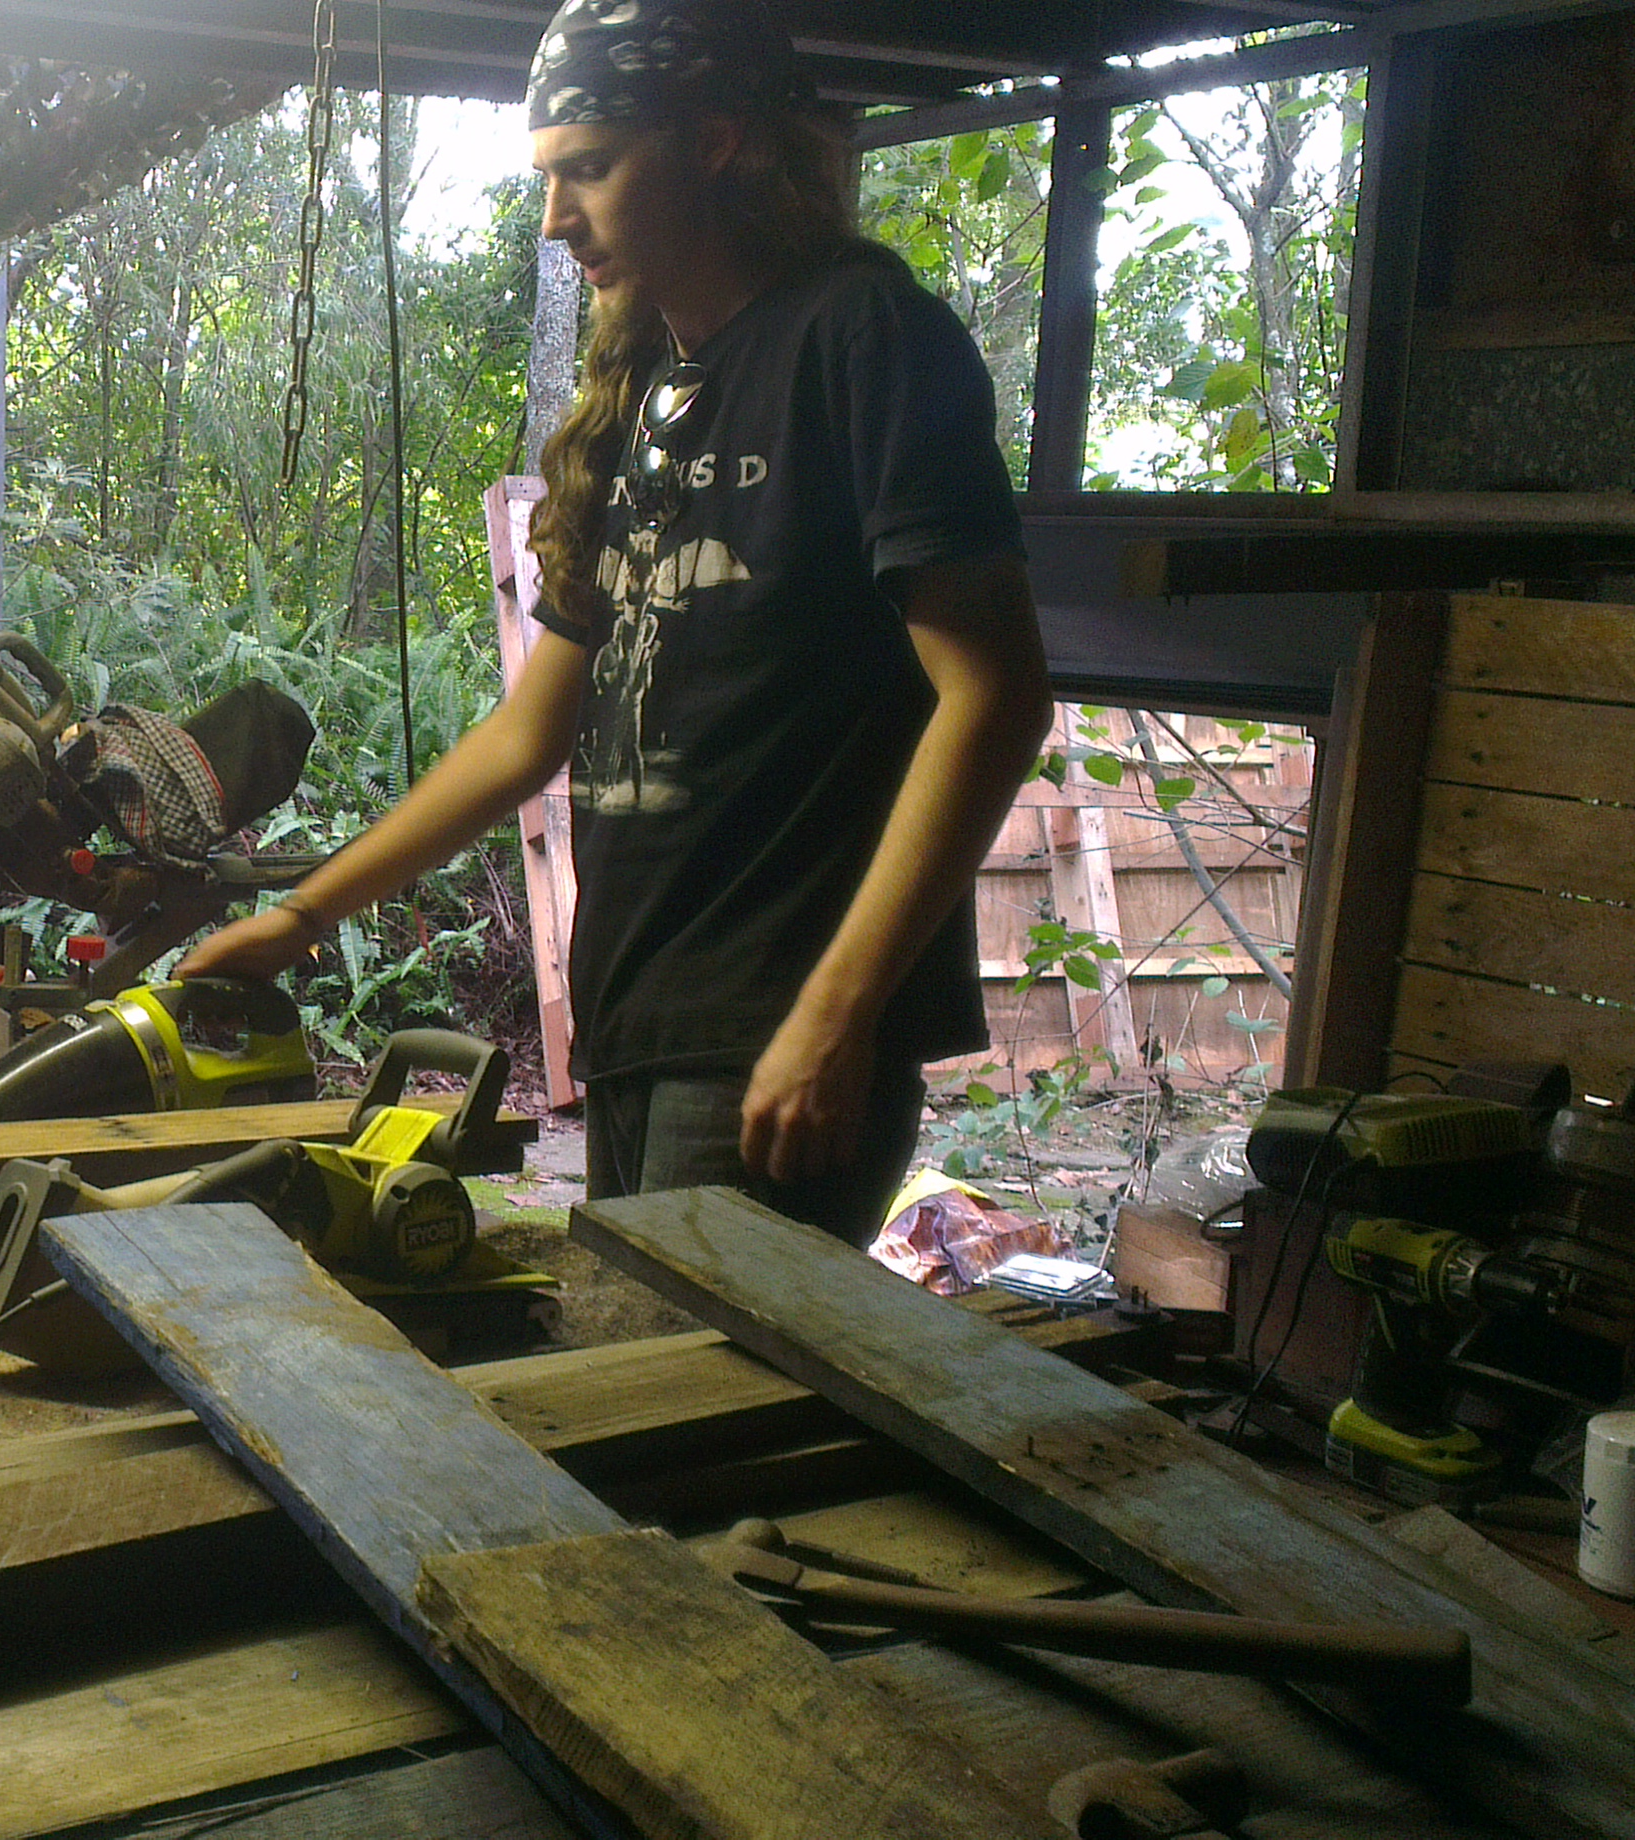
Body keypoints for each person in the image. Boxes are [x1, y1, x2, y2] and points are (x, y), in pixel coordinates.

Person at [179, 0, 1050, 1240]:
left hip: (773, 1027)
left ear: (714, 141)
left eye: (588, 167)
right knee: (633, 1343)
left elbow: (995, 695)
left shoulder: (864, 337)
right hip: (643, 1017)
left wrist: (838, 1011)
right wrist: (304, 912)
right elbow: (526, 734)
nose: (555, 217)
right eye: (548, 175)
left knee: (681, 1365)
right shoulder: (649, 390)